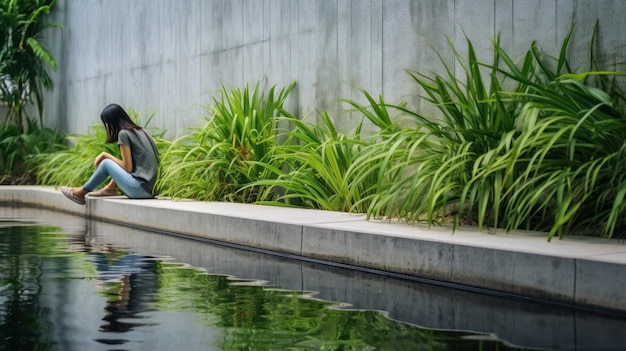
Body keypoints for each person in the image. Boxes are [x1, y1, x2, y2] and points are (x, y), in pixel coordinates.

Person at [60, 104, 160, 205]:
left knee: (106, 163)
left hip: (140, 189)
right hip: (152, 190)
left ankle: (81, 193)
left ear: (110, 123)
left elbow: (128, 167)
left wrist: (105, 155)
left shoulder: (123, 134)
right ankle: (110, 189)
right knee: (117, 163)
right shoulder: (142, 131)